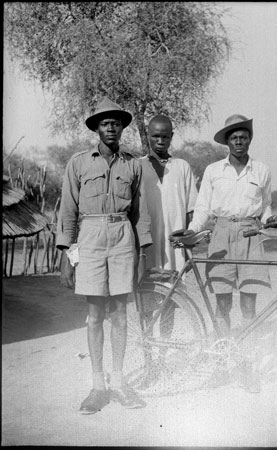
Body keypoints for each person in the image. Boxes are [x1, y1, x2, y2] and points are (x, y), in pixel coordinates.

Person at [56, 96, 152, 414]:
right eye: (105, 122)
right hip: (91, 237)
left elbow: (139, 213)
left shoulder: (133, 164)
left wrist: (142, 254)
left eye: (116, 122)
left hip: (123, 237)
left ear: (123, 128)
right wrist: (65, 255)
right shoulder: (79, 163)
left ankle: (120, 383)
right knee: (96, 315)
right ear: (96, 128)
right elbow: (68, 210)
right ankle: (98, 387)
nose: (111, 127)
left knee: (121, 315)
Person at [186, 114, 277, 392]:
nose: (239, 141)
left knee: (249, 305)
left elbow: (265, 205)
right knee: (222, 304)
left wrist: (269, 221)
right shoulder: (213, 170)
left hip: (251, 234)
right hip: (220, 234)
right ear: (227, 141)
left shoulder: (262, 170)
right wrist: (192, 230)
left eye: (243, 136)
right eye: (234, 137)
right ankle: (221, 365)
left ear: (249, 139)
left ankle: (247, 367)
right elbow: (203, 207)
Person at [135, 114, 198, 326]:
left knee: (171, 297)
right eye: (155, 136)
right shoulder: (137, 167)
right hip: (148, 245)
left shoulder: (182, 167)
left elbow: (191, 210)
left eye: (165, 137)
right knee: (146, 297)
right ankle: (148, 350)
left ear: (171, 137)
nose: (160, 141)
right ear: (148, 136)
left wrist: (189, 245)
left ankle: (164, 350)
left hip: (174, 246)